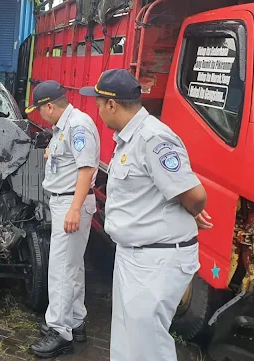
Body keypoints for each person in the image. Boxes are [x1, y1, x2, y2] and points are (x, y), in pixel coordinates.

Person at [79, 69, 213, 361]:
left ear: (112, 104)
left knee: (147, 344)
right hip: (135, 255)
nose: (98, 110)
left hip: (157, 259)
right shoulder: (130, 138)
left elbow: (195, 195)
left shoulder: (154, 138)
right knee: (129, 338)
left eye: (99, 103)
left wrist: (192, 210)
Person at [25, 80, 100, 358]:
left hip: (71, 202)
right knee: (72, 267)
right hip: (66, 201)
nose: (39, 115)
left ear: (50, 106)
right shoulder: (64, 127)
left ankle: (60, 332)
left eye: (40, 110)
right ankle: (76, 321)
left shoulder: (78, 125)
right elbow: (68, 159)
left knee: (60, 269)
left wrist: (74, 208)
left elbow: (86, 167)